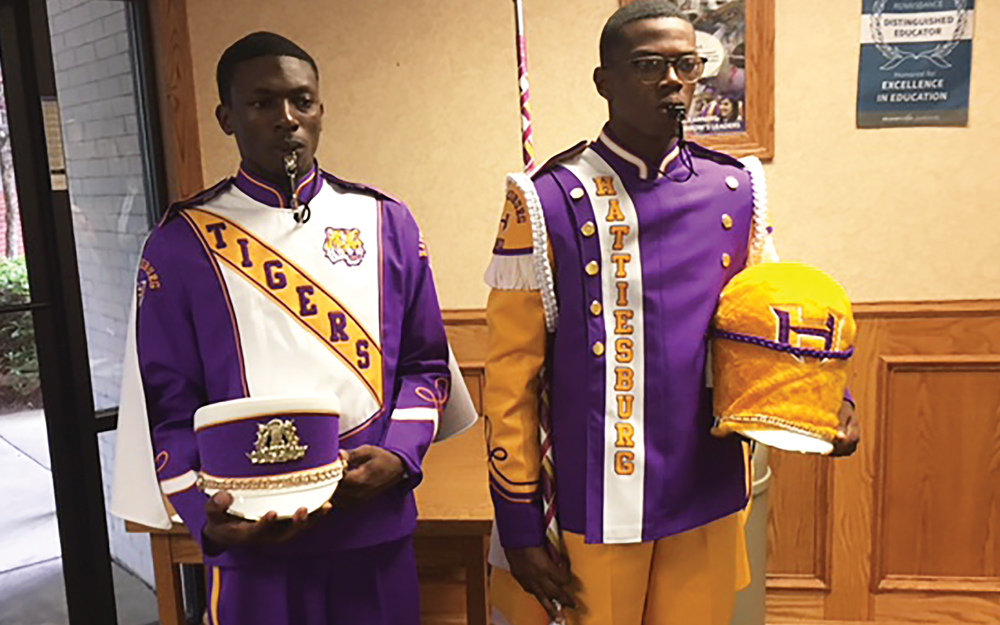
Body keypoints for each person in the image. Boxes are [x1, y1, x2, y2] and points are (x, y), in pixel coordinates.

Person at [482, 2, 858, 624]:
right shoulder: (545, 198)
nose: (673, 80)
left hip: (704, 477)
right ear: (604, 81)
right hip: (594, 489)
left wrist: (825, 406)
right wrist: (520, 520)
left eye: (687, 64)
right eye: (648, 65)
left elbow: (767, 317)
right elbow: (509, 379)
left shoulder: (735, 187)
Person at [111, 31, 475, 625]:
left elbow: (424, 364)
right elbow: (167, 404)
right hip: (252, 542)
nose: (287, 118)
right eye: (262, 103)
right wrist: (209, 518)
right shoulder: (178, 244)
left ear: (321, 109)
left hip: (372, 527)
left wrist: (399, 455)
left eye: (302, 101)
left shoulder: (386, 221)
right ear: (226, 117)